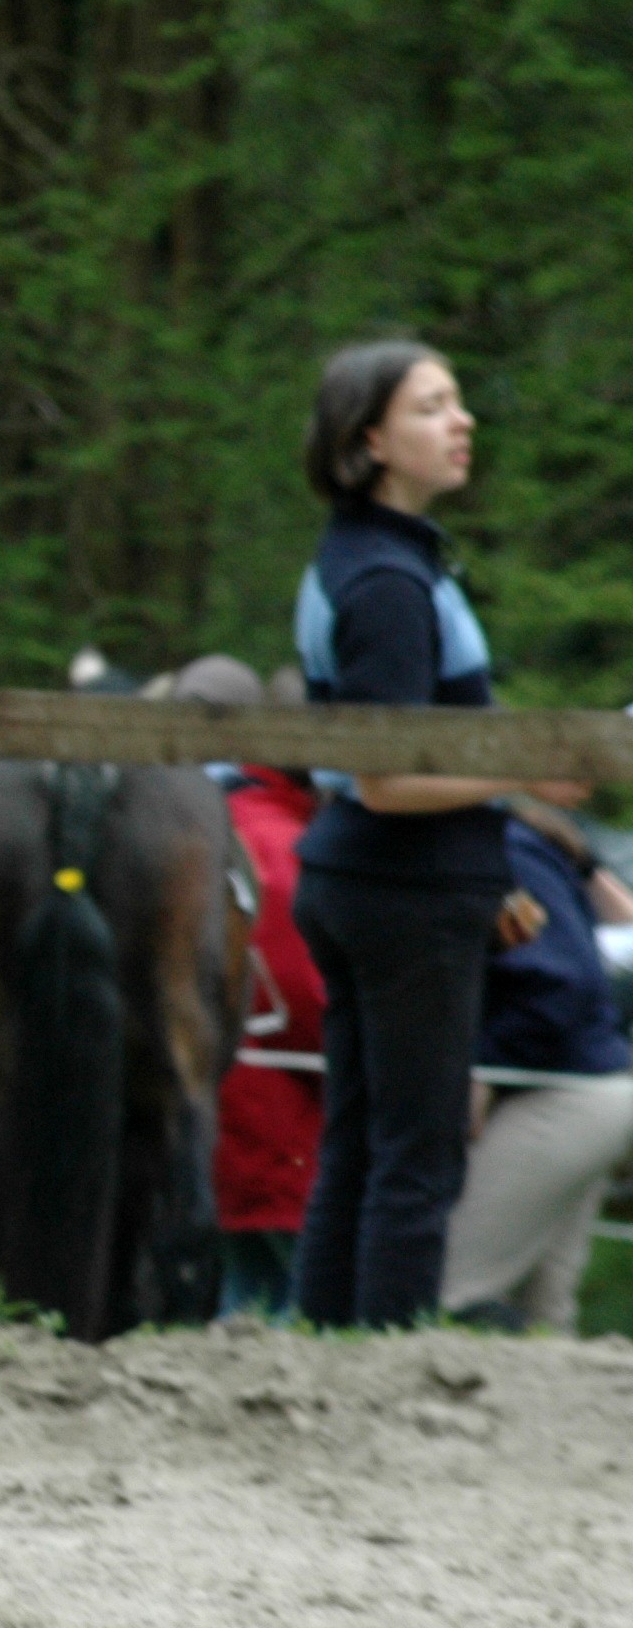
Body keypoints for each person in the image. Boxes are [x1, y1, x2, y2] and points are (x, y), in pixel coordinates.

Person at [287, 340, 585, 1329]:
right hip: (403, 890)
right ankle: (381, 1369)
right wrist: (525, 770)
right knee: (416, 1152)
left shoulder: (375, 557)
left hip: (369, 880)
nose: (461, 421)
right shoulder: (385, 580)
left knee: (362, 1142)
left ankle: (324, 1357)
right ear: (369, 440)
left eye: (456, 400)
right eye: (431, 406)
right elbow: (384, 780)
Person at [174, 655, 328, 1321]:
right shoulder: (280, 843)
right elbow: (301, 992)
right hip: (280, 1118)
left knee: (244, 1300)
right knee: (296, 1305)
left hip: (232, 1111)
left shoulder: (232, 821)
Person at [437, 811, 633, 1333]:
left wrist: (485, 1067)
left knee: (452, 1291)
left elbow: (560, 984)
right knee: (542, 1310)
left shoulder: (508, 847)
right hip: (580, 1089)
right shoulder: (520, 839)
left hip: (560, 1092)